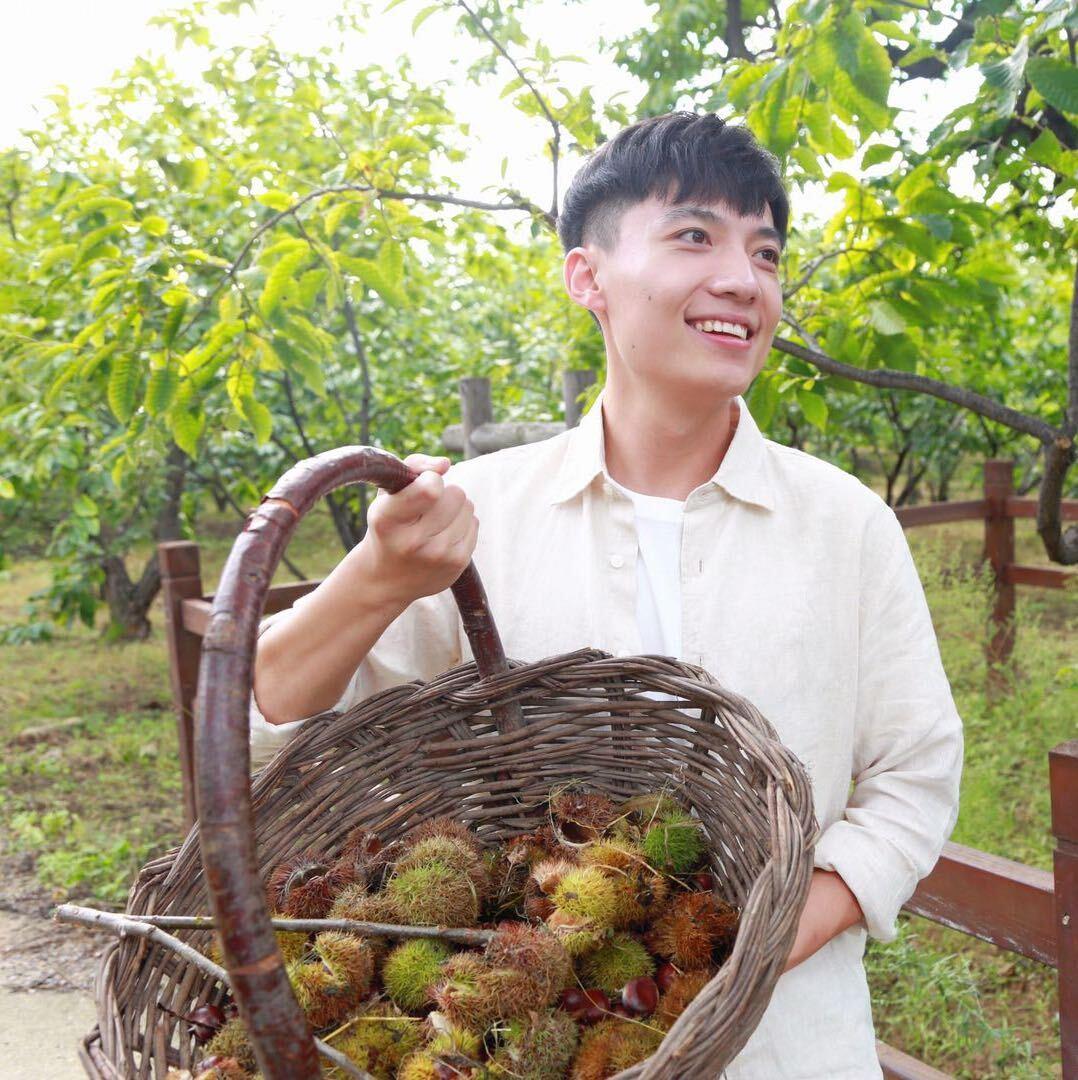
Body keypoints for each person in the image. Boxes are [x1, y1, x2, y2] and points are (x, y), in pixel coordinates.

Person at [251, 112, 963, 1079]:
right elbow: (271, 718)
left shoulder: (846, 524)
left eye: (765, 252)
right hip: (534, 1041)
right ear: (587, 277)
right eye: (694, 236)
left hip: (792, 1046)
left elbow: (915, 773)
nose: (743, 280)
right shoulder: (480, 516)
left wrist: (759, 944)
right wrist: (377, 579)